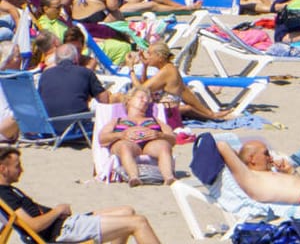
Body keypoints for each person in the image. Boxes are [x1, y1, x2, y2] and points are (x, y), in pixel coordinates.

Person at [0, 144, 160, 243]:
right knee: (139, 222)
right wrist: (58, 211)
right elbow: (33, 226)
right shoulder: (4, 194)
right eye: (17, 166)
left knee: (127, 211)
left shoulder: (10, 190)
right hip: (62, 232)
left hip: (65, 224)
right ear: (3, 169)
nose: (21, 170)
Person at [98, 87, 178, 186]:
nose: (145, 101)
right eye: (141, 97)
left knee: (164, 146)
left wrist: (159, 134)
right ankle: (133, 177)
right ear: (129, 100)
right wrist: (121, 135)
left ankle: (169, 178)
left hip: (150, 145)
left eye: (147, 100)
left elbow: (173, 140)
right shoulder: (117, 120)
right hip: (126, 143)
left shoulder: (155, 120)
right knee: (124, 147)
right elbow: (102, 139)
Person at [38, 44, 109, 121]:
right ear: (76, 58)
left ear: (56, 60)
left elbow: (38, 102)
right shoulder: (85, 72)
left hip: (49, 127)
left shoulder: (45, 75)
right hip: (77, 126)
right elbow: (103, 99)